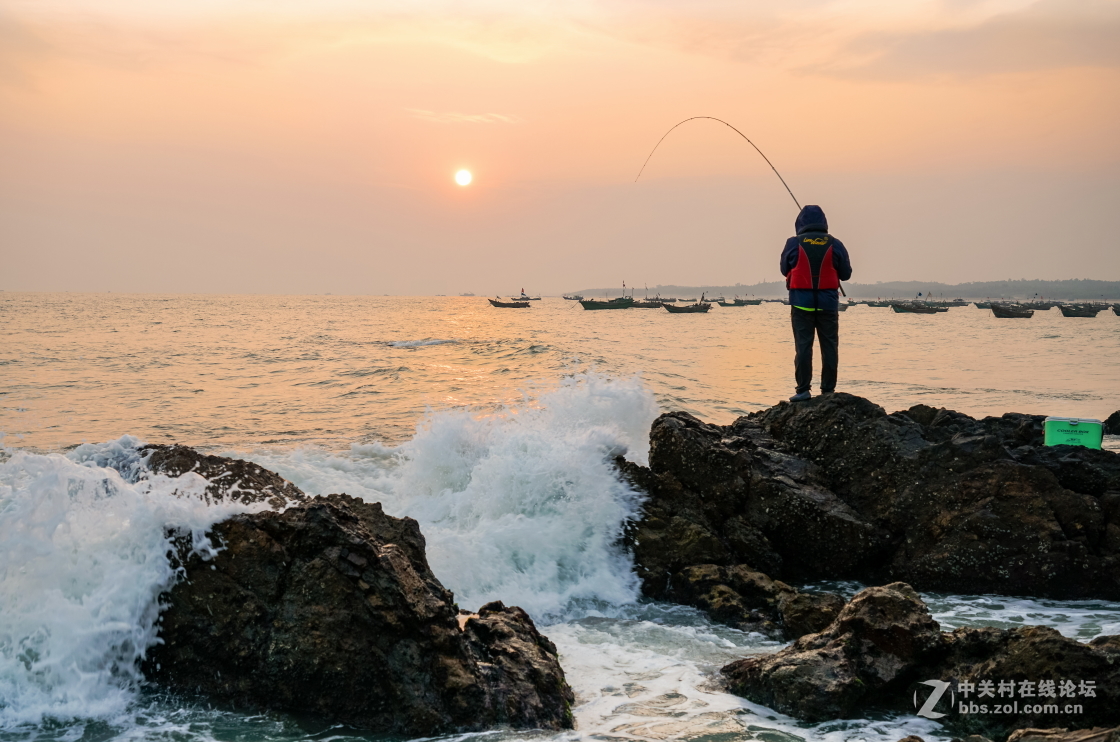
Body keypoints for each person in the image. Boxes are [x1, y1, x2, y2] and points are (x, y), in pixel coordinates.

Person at [780, 205, 852, 402]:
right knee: (829, 347)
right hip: (828, 306)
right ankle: (828, 391)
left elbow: (783, 268)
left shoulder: (793, 243)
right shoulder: (836, 244)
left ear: (800, 223)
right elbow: (846, 274)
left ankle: (803, 390)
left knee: (803, 348)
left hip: (801, 305)